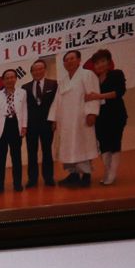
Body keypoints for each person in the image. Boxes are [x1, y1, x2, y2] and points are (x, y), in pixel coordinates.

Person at [51, 48, 99, 187]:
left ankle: (86, 176)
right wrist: (54, 119)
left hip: (81, 119)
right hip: (65, 121)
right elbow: (57, 101)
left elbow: (93, 95)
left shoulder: (87, 75)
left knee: (82, 147)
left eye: (72, 58)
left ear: (79, 60)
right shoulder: (63, 81)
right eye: (66, 60)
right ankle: (73, 175)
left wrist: (92, 113)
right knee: (68, 148)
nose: (69, 62)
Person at [85, 49, 129, 186]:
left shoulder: (116, 74)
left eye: (103, 61)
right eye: (97, 63)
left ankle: (112, 173)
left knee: (115, 143)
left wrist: (98, 96)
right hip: (100, 116)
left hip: (116, 114)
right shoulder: (94, 79)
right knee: (104, 145)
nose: (100, 65)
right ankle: (107, 171)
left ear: (108, 62)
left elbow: (119, 92)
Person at [0, 67, 25, 193]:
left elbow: (24, 110)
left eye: (12, 77)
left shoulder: (22, 93)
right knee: (0, 159)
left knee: (16, 157)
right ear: (3, 81)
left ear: (16, 79)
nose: (10, 80)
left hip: (15, 126)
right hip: (0, 128)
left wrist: (24, 126)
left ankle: (17, 184)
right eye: (7, 78)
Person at [22, 58, 58, 186]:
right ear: (31, 72)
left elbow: (56, 104)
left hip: (47, 124)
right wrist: (24, 125)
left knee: (47, 151)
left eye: (40, 69)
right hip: (31, 125)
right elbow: (23, 108)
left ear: (44, 70)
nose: (37, 72)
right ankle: (32, 179)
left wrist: (55, 120)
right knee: (32, 152)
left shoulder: (53, 84)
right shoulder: (25, 87)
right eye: (34, 70)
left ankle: (48, 178)